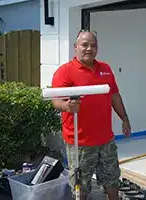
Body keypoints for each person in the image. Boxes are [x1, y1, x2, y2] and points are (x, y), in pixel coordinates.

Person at [51, 30, 131, 200]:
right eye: (84, 45)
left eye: (93, 45)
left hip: (105, 139)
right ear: (76, 47)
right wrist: (67, 106)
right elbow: (56, 101)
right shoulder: (64, 72)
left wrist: (124, 118)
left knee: (111, 179)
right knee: (81, 185)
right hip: (80, 142)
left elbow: (114, 96)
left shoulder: (106, 69)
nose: (89, 49)